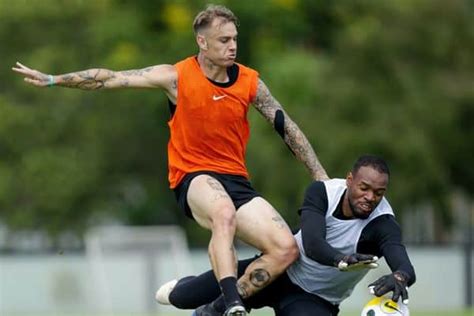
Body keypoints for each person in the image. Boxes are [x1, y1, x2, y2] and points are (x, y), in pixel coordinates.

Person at [12, 4, 329, 316]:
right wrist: (54, 79)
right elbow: (110, 78)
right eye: (223, 40)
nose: (232, 46)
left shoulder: (249, 82)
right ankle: (234, 304)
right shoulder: (175, 76)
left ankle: (214, 309)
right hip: (193, 177)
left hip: (236, 180)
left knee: (286, 249)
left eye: (234, 39)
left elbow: (286, 127)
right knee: (223, 213)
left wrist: (320, 175)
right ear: (202, 42)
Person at [156, 155, 416, 316]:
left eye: (378, 193)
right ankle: (192, 291)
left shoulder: (382, 223)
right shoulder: (322, 192)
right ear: (349, 180)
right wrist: (341, 259)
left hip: (314, 300)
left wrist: (399, 276)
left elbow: (401, 260)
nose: (370, 198)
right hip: (276, 271)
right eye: (364, 188)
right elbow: (313, 244)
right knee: (178, 298)